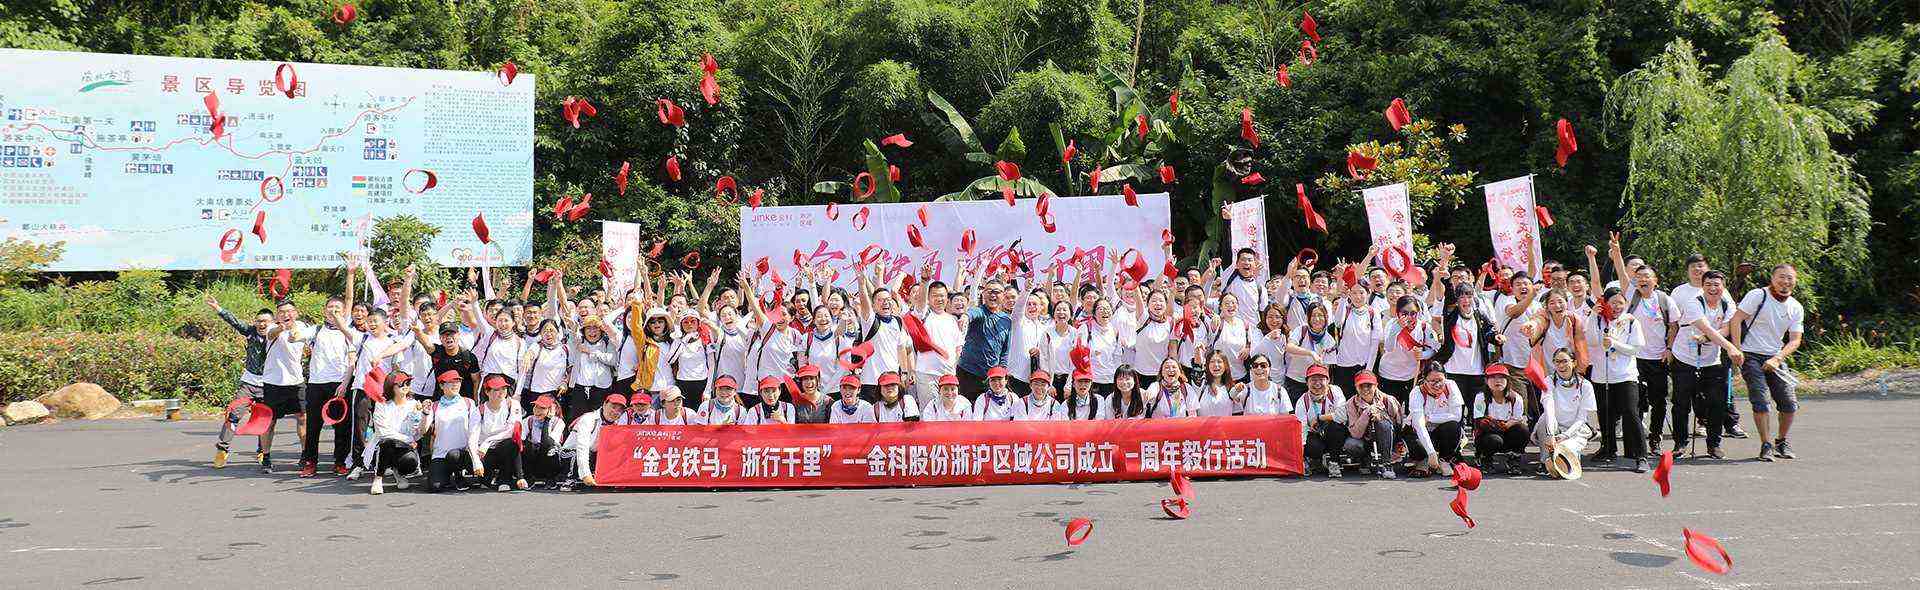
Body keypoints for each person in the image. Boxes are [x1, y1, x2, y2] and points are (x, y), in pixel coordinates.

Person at [1728, 264, 1805, 461]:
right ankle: (1766, 444)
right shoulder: (1758, 295)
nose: (1785, 281)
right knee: (1761, 401)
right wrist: (1737, 349)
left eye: (1790, 278)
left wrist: (1778, 358)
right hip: (1750, 355)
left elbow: (1795, 340)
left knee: (1789, 403)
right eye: (1781, 277)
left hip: (1775, 356)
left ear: (1795, 281)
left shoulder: (1796, 307)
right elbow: (1736, 320)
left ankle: (1781, 441)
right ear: (1772, 278)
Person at [1670, 270, 1743, 458]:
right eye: (1708, 284)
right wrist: (1730, 348)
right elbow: (1706, 328)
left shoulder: (1727, 304)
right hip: (1685, 358)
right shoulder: (1694, 303)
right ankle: (1680, 444)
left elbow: (1727, 328)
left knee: (1717, 403)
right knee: (1681, 404)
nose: (1713, 288)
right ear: (1702, 287)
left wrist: (1710, 339)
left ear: (1723, 287)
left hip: (1712, 360)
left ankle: (1714, 445)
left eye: (1717, 285)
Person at [204, 296, 271, 470]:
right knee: (233, 415)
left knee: (263, 420)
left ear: (272, 323)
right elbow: (234, 321)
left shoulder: (277, 337)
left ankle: (262, 451)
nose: (262, 324)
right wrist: (218, 308)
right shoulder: (250, 332)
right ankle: (222, 450)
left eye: (265, 321)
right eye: (259, 321)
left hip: (269, 384)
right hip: (248, 383)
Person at [1588, 285, 1650, 472]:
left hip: (1625, 376)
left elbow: (1636, 348)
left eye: (1620, 303)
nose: (1617, 307)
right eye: (1612, 303)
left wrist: (1615, 344)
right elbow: (1591, 340)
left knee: (1631, 414)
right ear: (1604, 304)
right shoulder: (1597, 320)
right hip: (1601, 376)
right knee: (1605, 414)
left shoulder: (1631, 322)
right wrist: (1593, 315)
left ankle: (1640, 455)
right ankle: (1608, 448)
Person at [258, 299, 313, 474]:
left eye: (289, 311)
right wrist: (282, 327)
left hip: (296, 381)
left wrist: (293, 331)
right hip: (273, 382)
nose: (285, 314)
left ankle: (305, 456)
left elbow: (297, 336)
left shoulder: (303, 327)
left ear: (296, 313)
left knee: (303, 418)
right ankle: (266, 457)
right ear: (277, 315)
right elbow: (271, 334)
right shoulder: (272, 327)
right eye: (281, 312)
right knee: (270, 421)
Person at [1535, 348, 1596, 479]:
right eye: (1557, 362)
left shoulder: (1585, 385)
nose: (1561, 365)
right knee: (1544, 419)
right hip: (1553, 427)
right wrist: (1551, 434)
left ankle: (1562, 456)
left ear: (1574, 363)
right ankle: (1545, 460)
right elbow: (1549, 409)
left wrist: (1565, 435)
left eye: (1564, 361)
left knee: (1564, 453)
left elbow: (1581, 418)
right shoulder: (1548, 381)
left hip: (1575, 431)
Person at [364, 372, 427, 495]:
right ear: (391, 386)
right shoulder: (381, 404)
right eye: (401, 384)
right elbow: (384, 433)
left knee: (410, 461)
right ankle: (378, 478)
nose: (405, 386)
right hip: (382, 447)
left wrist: (418, 416)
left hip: (404, 446)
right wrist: (408, 439)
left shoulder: (414, 404)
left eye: (408, 383)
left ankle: (398, 472)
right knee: (388, 443)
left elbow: (416, 434)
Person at [561, 392, 632, 490]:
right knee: (579, 453)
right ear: (604, 404)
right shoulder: (588, 418)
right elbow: (582, 447)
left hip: (594, 453)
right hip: (570, 453)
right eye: (613, 407)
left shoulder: (617, 424)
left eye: (620, 410)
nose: (615, 412)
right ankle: (569, 480)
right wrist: (585, 474)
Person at [1405, 366, 1466, 478]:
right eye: (1432, 381)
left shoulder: (1451, 386)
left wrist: (1429, 418)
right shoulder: (1417, 392)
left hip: (1441, 431)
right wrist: (1431, 453)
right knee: (1415, 443)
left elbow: (1457, 416)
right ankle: (1423, 460)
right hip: (1420, 432)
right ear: (1424, 380)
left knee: (1453, 426)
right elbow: (1419, 425)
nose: (1437, 385)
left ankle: (1444, 459)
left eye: (1440, 380)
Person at [426, 375, 483, 492]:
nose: (455, 385)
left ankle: (459, 476)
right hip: (440, 454)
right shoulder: (435, 406)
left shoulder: (469, 403)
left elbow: (474, 431)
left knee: (454, 455)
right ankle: (447, 475)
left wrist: (476, 459)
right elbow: (423, 430)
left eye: (458, 381)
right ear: (441, 385)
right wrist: (424, 414)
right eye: (451, 382)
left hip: (462, 454)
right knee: (435, 486)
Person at [1344, 369, 1405, 479]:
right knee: (1351, 444)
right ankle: (1365, 459)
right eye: (1361, 386)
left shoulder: (1389, 400)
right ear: (1356, 387)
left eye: (1369, 385)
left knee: (1383, 424)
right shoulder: (1351, 403)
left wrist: (1381, 417)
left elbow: (1398, 425)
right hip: (1364, 438)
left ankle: (1387, 464)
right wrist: (1367, 413)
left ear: (1376, 385)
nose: (1365, 389)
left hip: (1386, 437)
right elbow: (1355, 434)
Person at [472, 377, 526, 491]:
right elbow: (472, 438)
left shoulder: (513, 404)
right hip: (484, 452)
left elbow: (512, 430)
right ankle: (487, 478)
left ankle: (504, 479)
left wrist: (488, 441)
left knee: (512, 443)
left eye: (504, 388)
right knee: (471, 460)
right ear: (487, 392)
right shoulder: (479, 410)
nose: (501, 392)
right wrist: (476, 462)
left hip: (500, 446)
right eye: (496, 390)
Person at [1474, 365, 1529, 474]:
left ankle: (1514, 459)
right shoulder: (1481, 397)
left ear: (1508, 380)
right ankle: (1485, 458)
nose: (1497, 381)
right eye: (1493, 377)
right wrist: (1504, 424)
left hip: (1507, 432)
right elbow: (1480, 422)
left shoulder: (1516, 398)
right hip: (1488, 434)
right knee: (1494, 439)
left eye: (1501, 377)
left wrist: (1507, 424)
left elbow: (1518, 419)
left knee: (1523, 430)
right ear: (1486, 381)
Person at [1296, 367, 1350, 477]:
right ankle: (1314, 460)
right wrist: (1301, 456)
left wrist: (1320, 418)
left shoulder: (1335, 391)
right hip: (1315, 435)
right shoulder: (1302, 401)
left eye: (1321, 379)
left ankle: (1334, 462)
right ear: (1307, 383)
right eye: (1313, 380)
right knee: (1313, 446)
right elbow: (1301, 429)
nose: (1317, 383)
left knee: (1336, 427)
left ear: (1328, 381)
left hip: (1333, 433)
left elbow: (1342, 416)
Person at [520, 394, 567, 489]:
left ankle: (551, 479)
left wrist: (547, 420)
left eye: (542, 408)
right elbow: (521, 440)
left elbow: (547, 443)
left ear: (551, 409)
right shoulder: (529, 420)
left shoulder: (558, 422)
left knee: (551, 449)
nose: (537, 410)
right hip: (534, 460)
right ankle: (529, 477)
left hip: (550, 460)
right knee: (528, 446)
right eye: (536, 407)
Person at [1187, 350, 1236, 417]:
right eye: (1212, 362)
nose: (1216, 365)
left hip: (1225, 424)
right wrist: (1198, 351)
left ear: (1225, 365)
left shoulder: (1230, 387)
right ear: (1207, 366)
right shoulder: (1201, 385)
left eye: (1219, 362)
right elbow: (1197, 368)